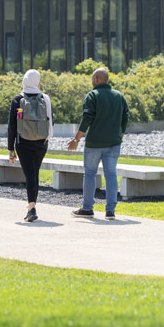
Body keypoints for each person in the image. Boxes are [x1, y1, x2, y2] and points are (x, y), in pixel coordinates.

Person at [67, 68, 130, 220]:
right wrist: (120, 135)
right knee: (111, 175)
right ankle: (110, 211)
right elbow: (125, 116)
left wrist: (76, 139)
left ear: (95, 79)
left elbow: (86, 118)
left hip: (94, 143)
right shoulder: (119, 96)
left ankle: (87, 208)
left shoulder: (93, 95)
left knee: (89, 174)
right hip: (114, 143)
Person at [7, 69, 53, 222]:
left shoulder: (17, 100)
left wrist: (10, 148)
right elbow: (51, 121)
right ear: (38, 82)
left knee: (30, 174)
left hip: (23, 142)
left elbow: (12, 126)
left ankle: (31, 208)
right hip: (41, 142)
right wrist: (47, 138)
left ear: (24, 81)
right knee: (35, 173)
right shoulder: (45, 98)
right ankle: (31, 206)